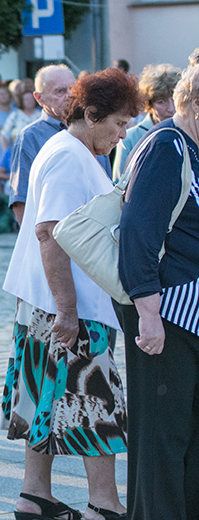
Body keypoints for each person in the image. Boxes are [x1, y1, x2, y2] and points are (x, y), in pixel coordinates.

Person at [1, 68, 140, 520]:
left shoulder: (70, 149)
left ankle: (34, 495)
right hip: (65, 304)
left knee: (43, 396)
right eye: (118, 123)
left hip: (50, 301)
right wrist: (67, 309)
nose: (122, 134)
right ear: (92, 114)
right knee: (96, 402)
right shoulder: (68, 155)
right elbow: (49, 233)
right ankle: (104, 502)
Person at [117, 63, 199, 520]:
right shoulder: (166, 146)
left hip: (190, 317)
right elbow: (138, 233)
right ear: (195, 104)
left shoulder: (192, 146)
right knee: (161, 438)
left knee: (188, 435)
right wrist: (148, 317)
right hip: (166, 316)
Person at [8, 65, 112, 225]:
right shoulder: (30, 137)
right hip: (53, 232)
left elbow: (107, 187)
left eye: (73, 89)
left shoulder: (93, 129)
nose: (70, 96)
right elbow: (21, 201)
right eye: (60, 91)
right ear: (39, 98)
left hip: (95, 230)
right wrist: (38, 239)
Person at [112, 63, 180, 182]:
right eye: (161, 102)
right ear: (149, 104)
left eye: (174, 99)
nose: (171, 108)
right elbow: (119, 184)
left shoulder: (189, 132)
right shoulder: (130, 138)